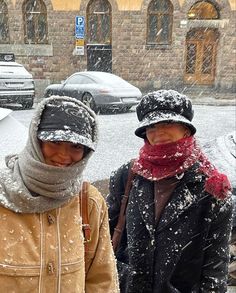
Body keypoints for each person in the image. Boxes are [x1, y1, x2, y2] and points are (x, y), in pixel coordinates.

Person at [107, 89, 233, 293]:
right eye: (152, 127)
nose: (159, 133)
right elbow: (105, 235)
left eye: (167, 123)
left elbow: (215, 270)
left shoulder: (211, 187)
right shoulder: (127, 175)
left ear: (186, 129)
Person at [0, 95, 119, 292]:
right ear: (35, 140)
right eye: (54, 142)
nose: (64, 155)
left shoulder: (88, 202)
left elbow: (102, 281)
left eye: (76, 147)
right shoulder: (3, 196)